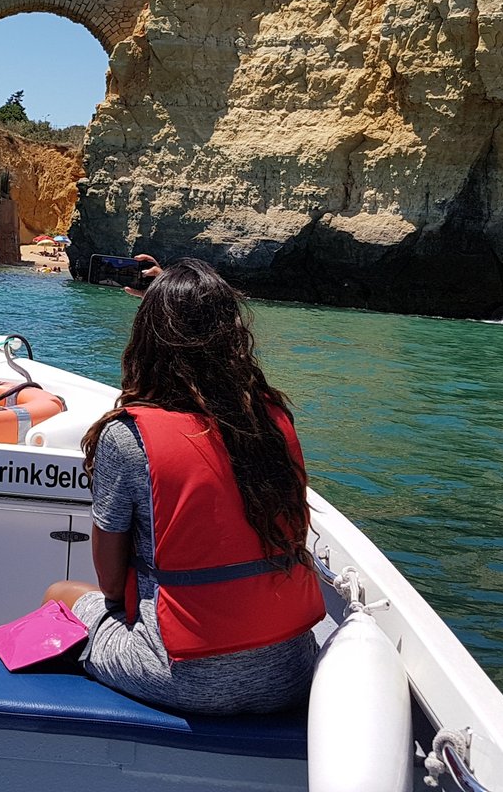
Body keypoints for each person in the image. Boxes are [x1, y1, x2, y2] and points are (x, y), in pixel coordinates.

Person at [43, 258, 323, 714]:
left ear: (146, 339)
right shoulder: (271, 419)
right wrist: (174, 291)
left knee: (60, 593)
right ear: (234, 337)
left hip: (184, 677)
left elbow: (111, 585)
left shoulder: (128, 435)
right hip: (290, 671)